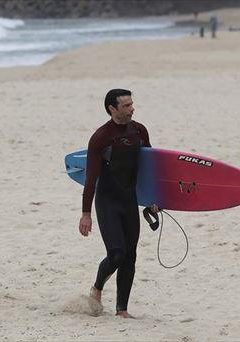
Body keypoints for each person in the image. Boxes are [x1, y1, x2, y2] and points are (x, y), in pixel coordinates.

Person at [79, 89, 159, 318]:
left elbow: (149, 169)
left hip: (129, 200)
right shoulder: (101, 137)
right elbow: (91, 178)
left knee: (130, 255)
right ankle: (97, 287)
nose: (132, 108)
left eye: (132, 104)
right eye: (126, 106)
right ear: (112, 109)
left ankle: (121, 309)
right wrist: (86, 214)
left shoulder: (139, 131)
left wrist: (153, 199)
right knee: (117, 254)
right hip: (107, 201)